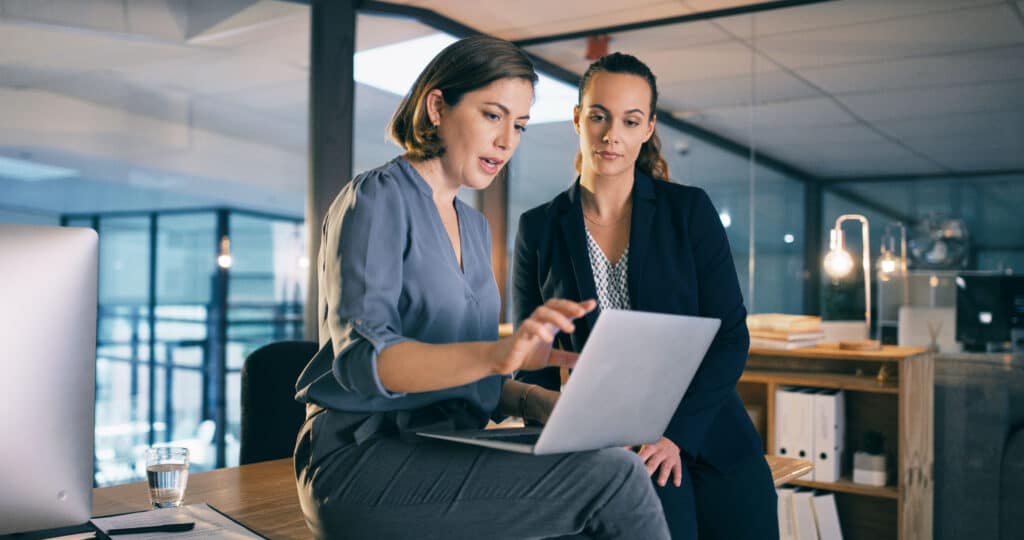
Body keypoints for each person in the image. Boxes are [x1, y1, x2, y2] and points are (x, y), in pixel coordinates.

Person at [293, 36, 671, 540]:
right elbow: (365, 363)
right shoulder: (377, 198)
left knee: (600, 455)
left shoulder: (473, 227)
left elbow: (461, 375)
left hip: (444, 442)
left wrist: (534, 401)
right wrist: (496, 355)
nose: (506, 141)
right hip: (363, 460)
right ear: (437, 107)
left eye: (519, 125)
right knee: (612, 480)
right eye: (493, 115)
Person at [513, 52, 778, 539]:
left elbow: (730, 337)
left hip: (708, 431)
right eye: (599, 116)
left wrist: (675, 433)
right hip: (614, 450)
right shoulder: (539, 228)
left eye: (629, 120)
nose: (612, 134)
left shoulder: (689, 212)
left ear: (647, 128)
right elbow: (532, 360)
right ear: (578, 119)